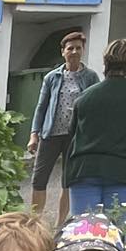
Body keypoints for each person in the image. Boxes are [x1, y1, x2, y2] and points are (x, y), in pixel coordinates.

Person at [66, 37, 126, 220]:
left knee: (83, 231)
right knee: (118, 231)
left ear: (106, 62)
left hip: (84, 169)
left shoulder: (85, 97)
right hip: (124, 169)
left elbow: (72, 130)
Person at [27, 29, 96, 223]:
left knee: (69, 180)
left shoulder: (90, 77)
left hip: (75, 136)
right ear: (63, 52)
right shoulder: (52, 77)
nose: (74, 52)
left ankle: (60, 224)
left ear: (83, 51)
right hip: (51, 134)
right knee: (39, 179)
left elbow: (94, 107)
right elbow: (41, 107)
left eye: (78, 48)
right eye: (70, 48)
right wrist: (34, 134)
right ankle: (36, 221)